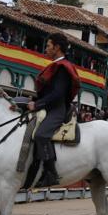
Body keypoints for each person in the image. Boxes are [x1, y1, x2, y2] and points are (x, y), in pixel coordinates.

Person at [26, 33, 81, 188]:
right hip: (50, 106)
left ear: (57, 48)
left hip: (57, 109)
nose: (46, 49)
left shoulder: (63, 67)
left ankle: (52, 174)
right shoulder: (58, 65)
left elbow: (57, 94)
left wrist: (37, 105)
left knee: (41, 135)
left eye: (49, 46)